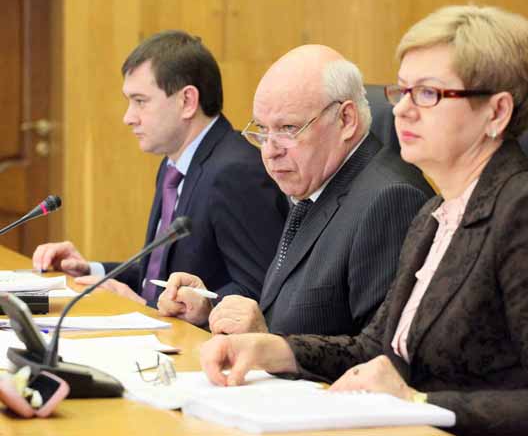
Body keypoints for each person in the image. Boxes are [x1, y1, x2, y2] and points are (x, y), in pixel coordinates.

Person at [198, 6, 528, 436]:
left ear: (496, 112)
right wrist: (275, 350)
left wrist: (418, 403)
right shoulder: (436, 214)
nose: (402, 111)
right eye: (403, 91)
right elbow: (375, 348)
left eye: (428, 94)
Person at [158, 45, 433, 335]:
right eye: (262, 130)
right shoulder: (313, 186)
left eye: (288, 128)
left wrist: (266, 340)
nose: (270, 151)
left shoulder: (390, 200)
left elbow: (379, 352)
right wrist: (210, 310)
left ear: (346, 120)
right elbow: (285, 314)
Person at [32, 30, 287, 307]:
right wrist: (91, 270)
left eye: (140, 101)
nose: (128, 117)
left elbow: (261, 290)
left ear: (187, 101)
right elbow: (157, 276)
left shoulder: (235, 172)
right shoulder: (173, 165)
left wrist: (152, 309)